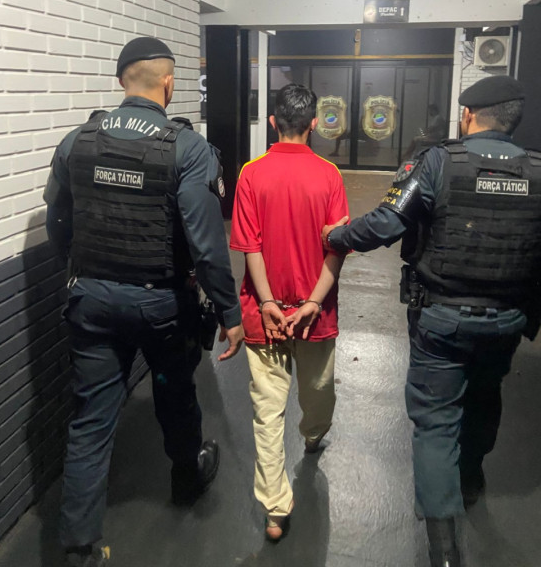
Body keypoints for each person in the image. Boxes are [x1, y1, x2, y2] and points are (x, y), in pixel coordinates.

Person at [322, 75, 541, 567]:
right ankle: (471, 477)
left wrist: (336, 237)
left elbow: (385, 223)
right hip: (507, 321)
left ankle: (443, 550)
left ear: (468, 115)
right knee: (485, 394)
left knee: (436, 423)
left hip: (442, 320)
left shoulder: (439, 161)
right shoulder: (537, 171)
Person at [44, 37, 244, 567]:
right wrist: (230, 313)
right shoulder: (188, 149)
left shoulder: (76, 141)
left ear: (121, 81)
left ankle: (79, 547)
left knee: (90, 418)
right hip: (162, 306)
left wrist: (80, 270)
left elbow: (57, 222)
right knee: (175, 394)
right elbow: (207, 247)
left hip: (90, 300)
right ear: (169, 83)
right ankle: (186, 477)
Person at [230, 83, 349, 542]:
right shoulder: (330, 175)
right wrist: (314, 302)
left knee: (267, 412)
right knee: (318, 392)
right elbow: (336, 248)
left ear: (273, 122)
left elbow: (250, 247)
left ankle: (275, 509)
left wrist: (266, 303)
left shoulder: (251, 174)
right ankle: (313, 435)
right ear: (314, 124)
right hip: (316, 314)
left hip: (265, 316)